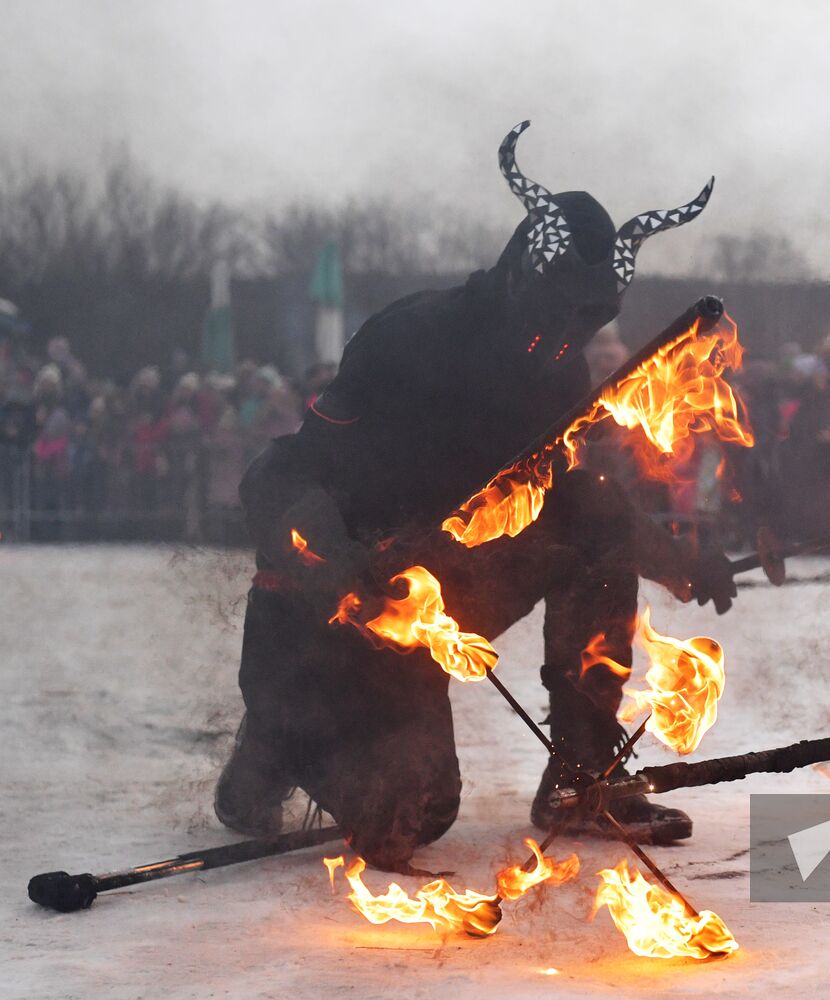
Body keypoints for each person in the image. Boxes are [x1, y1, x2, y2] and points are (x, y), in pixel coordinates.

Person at [215, 123, 737, 873]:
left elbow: (571, 511)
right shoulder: (411, 337)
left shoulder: (561, 379)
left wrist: (679, 560)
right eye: (561, 308)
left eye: (591, 316)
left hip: (449, 585)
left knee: (591, 510)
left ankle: (583, 772)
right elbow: (285, 473)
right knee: (419, 812)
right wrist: (337, 565)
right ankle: (274, 743)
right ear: (524, 273)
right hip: (334, 606)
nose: (569, 331)